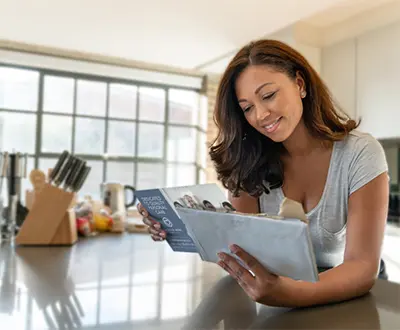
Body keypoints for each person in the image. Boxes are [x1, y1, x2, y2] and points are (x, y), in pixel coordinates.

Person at [138, 39, 389, 308]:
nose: (260, 115)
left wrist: (290, 294)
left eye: (268, 95)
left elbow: (362, 267)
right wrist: (180, 228)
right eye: (247, 108)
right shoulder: (248, 162)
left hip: (349, 301)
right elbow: (242, 252)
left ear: (300, 85)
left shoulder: (360, 153)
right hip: (279, 297)